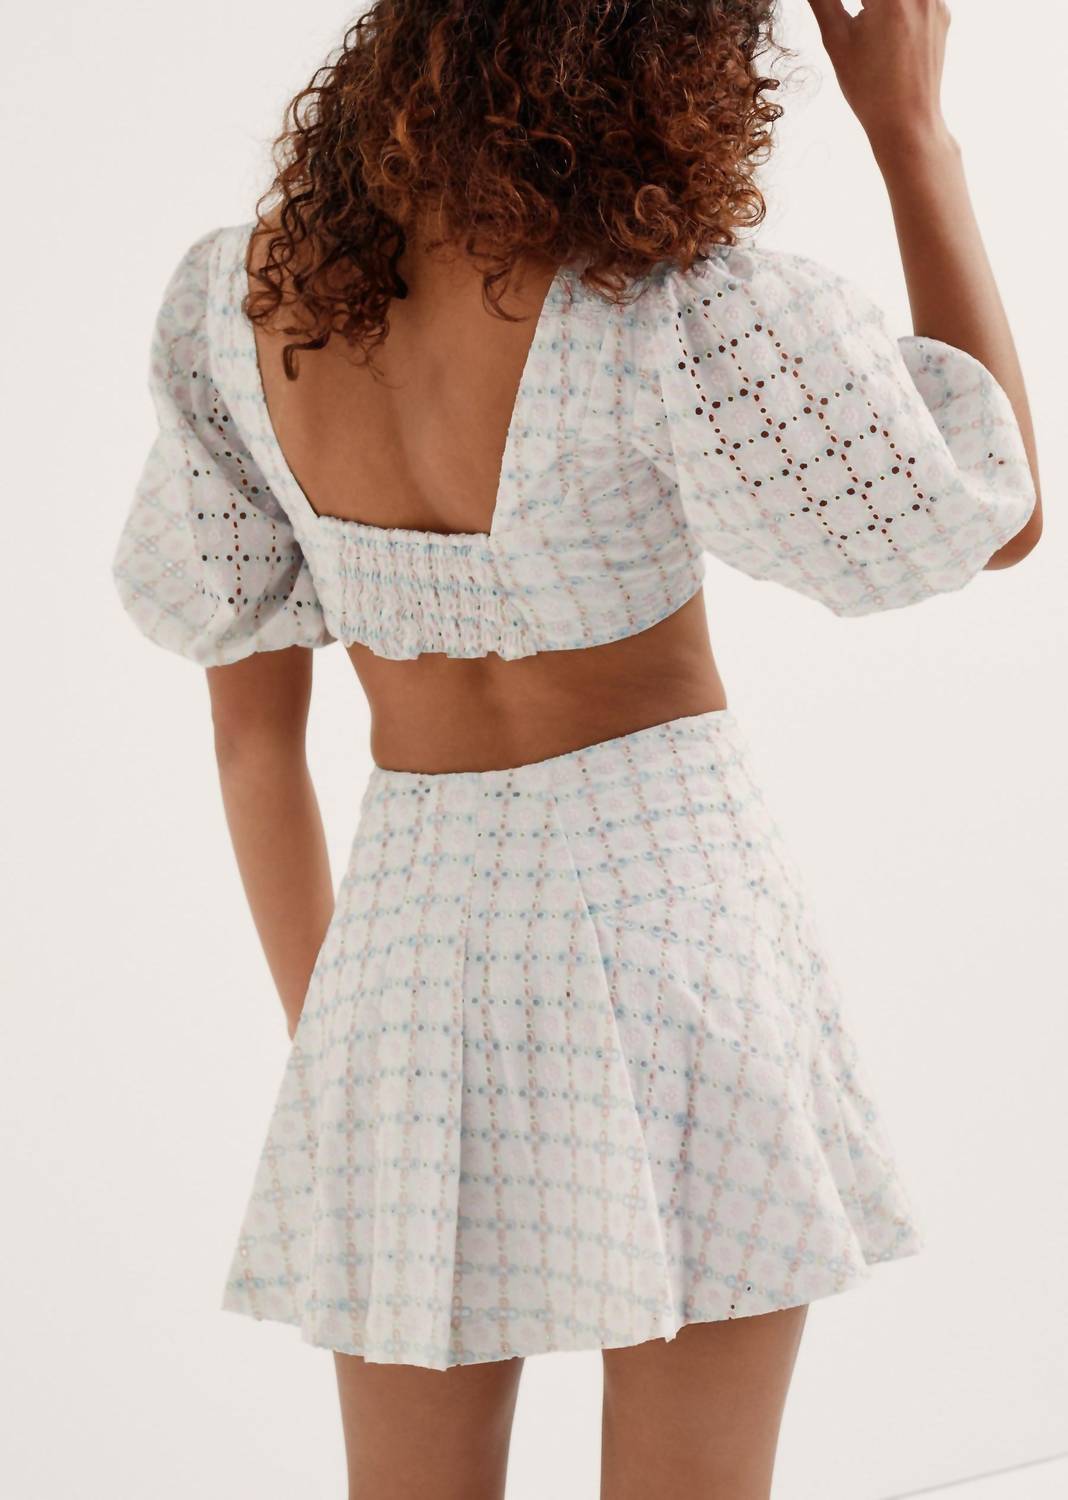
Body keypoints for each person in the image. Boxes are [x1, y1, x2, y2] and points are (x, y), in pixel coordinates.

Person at [110, 2, 1041, 1496]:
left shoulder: (249, 305)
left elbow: (249, 742)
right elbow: (985, 510)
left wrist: (345, 1055)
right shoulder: (660, 304)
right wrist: (912, 136)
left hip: (404, 963)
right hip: (672, 930)